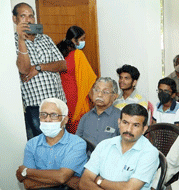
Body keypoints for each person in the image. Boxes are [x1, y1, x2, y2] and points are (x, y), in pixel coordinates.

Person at [13, 2, 67, 139]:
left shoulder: (45, 39)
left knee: (61, 140)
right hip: (36, 106)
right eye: (23, 16)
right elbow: (24, 70)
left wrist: (39, 67)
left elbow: (62, 65)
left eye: (31, 16)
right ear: (15, 19)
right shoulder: (11, 42)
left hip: (57, 101)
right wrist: (21, 40)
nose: (28, 20)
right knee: (42, 142)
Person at [56, 25, 97, 133]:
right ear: (74, 40)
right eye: (82, 39)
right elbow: (87, 80)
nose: (83, 42)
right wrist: (94, 100)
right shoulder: (78, 54)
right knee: (78, 127)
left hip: (61, 95)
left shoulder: (58, 51)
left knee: (65, 125)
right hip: (76, 95)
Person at [76, 77, 121, 146]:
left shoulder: (120, 117)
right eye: (97, 90)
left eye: (105, 92)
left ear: (114, 96)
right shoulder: (85, 117)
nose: (99, 95)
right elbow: (77, 143)